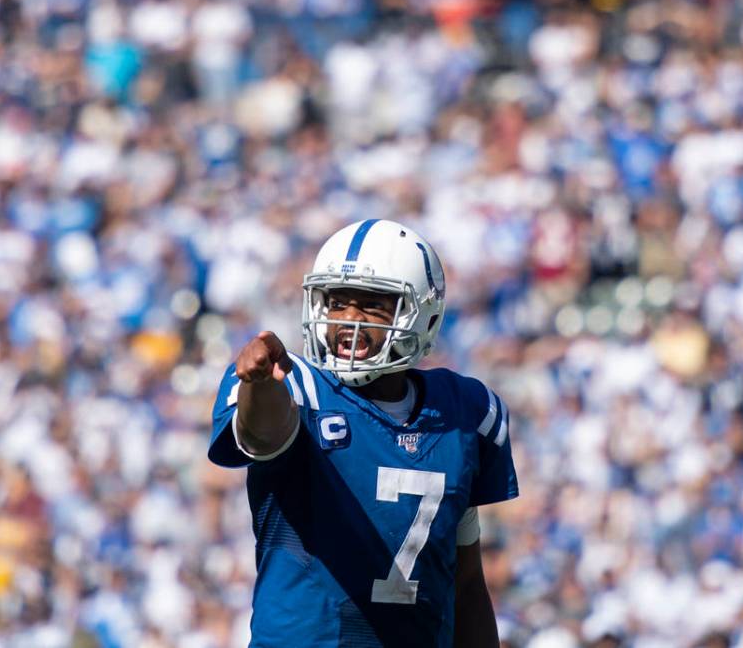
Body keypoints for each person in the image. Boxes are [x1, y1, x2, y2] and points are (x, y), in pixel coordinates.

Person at [208, 219, 518, 647]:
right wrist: (261, 385)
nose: (348, 322)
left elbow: (466, 583)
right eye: (337, 303)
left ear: (422, 314)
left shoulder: (465, 413)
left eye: (373, 306)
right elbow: (263, 436)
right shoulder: (293, 386)